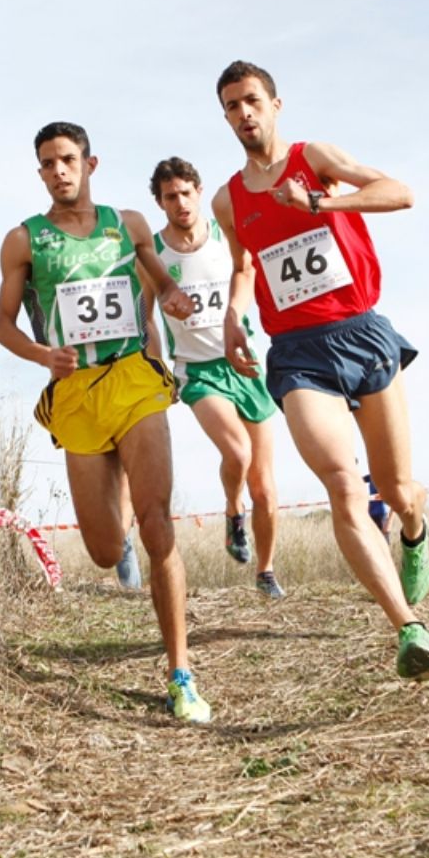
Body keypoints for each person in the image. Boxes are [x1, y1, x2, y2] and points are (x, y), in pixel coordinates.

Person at [211, 61, 429, 682]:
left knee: (397, 491)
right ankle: (408, 628)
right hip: (297, 352)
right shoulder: (227, 199)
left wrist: (318, 199)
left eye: (252, 101)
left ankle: (414, 532)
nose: (244, 114)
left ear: (276, 104)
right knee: (344, 483)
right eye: (232, 106)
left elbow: (401, 192)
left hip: (363, 332)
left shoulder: (315, 157)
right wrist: (235, 317)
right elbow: (243, 266)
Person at [0, 121, 210, 721]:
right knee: (103, 546)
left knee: (156, 519)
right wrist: (44, 355)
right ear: (40, 173)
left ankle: (181, 673)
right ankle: (117, 520)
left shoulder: (129, 223)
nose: (58, 170)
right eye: (46, 163)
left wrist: (169, 295)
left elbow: (158, 276)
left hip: (132, 378)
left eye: (67, 159)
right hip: (77, 396)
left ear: (90, 163)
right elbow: (3, 325)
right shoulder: (24, 241)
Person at [143, 156, 284, 599]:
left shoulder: (226, 236)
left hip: (243, 362)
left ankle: (265, 571)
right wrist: (157, 366)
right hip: (196, 371)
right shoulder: (153, 252)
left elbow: (249, 275)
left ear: (199, 192)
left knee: (265, 487)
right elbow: (145, 316)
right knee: (236, 452)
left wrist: (234, 318)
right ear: (160, 202)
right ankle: (231, 509)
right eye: (170, 197)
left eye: (186, 193)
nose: (180, 203)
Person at [363, 474, 392, 542]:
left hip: (381, 514)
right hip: (370, 514)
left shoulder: (386, 477)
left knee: (384, 542)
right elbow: (358, 480)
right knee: (372, 542)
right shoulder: (370, 476)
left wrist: (369, 497)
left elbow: (388, 495)